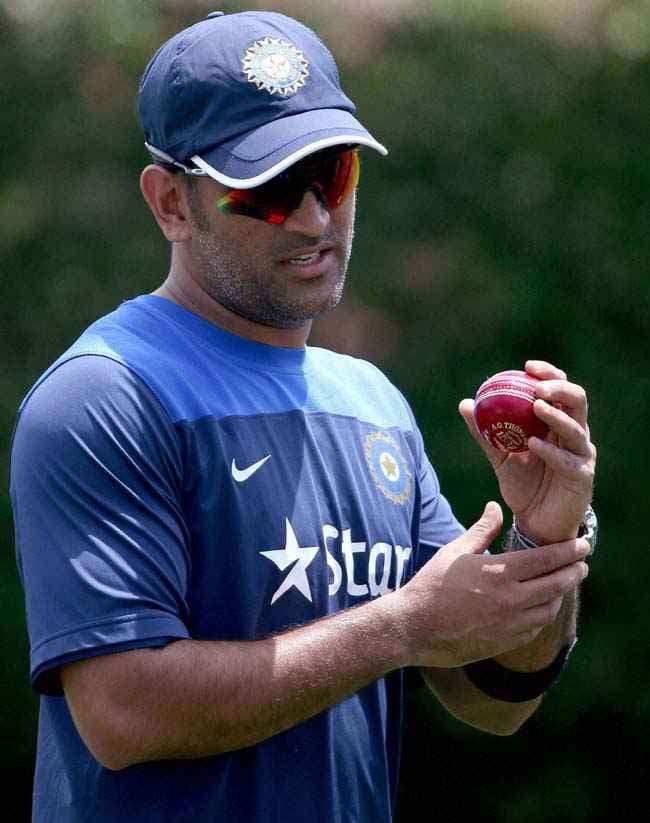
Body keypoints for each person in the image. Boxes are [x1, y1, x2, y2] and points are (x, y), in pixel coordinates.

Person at [10, 10, 597, 823]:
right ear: (171, 203)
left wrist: (544, 540)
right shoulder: (104, 397)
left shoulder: (373, 403)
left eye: (333, 175)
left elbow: (492, 696)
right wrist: (399, 628)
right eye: (270, 190)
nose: (317, 219)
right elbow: (123, 711)